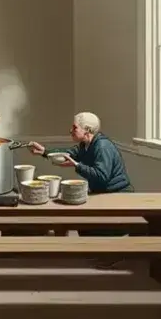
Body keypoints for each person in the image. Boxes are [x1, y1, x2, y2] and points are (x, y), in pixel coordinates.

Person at [28, 112, 133, 268]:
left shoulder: (102, 147)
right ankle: (101, 251)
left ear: (87, 130)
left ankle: (113, 254)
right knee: (83, 227)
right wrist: (44, 151)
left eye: (74, 127)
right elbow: (68, 154)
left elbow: (101, 177)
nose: (71, 130)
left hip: (118, 196)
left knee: (91, 225)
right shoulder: (86, 145)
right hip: (103, 194)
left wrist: (76, 165)